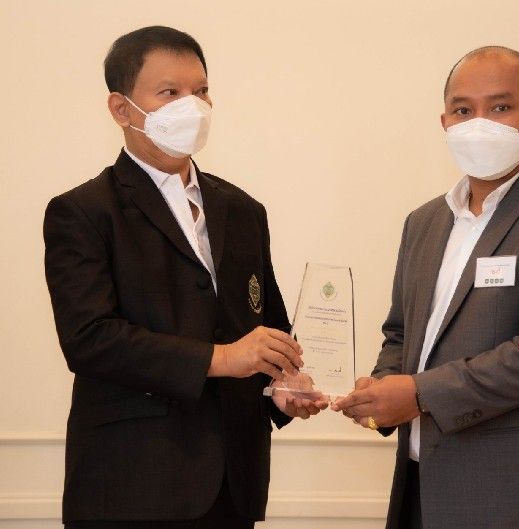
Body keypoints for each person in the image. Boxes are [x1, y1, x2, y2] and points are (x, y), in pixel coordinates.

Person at [43, 26, 327, 529]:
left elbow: (265, 327)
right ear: (121, 108)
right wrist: (223, 358)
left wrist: (282, 385)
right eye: (170, 93)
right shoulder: (83, 211)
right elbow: (90, 340)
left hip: (234, 485)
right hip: (132, 484)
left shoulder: (243, 209)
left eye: (201, 90)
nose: (191, 106)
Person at [333, 46, 519, 529]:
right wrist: (380, 388)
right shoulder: (425, 221)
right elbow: (401, 333)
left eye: (501, 107)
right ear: (445, 122)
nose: (479, 124)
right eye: (464, 110)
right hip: (424, 486)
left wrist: (419, 394)